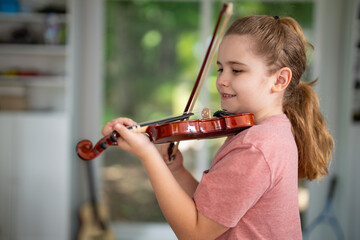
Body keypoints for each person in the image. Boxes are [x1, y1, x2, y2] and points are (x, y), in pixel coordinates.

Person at [102, 15, 334, 240]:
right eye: (220, 68)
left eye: (237, 70)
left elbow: (195, 233)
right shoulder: (268, 131)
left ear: (280, 80)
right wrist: (177, 171)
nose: (221, 80)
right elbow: (215, 211)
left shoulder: (256, 146)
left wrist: (147, 154)